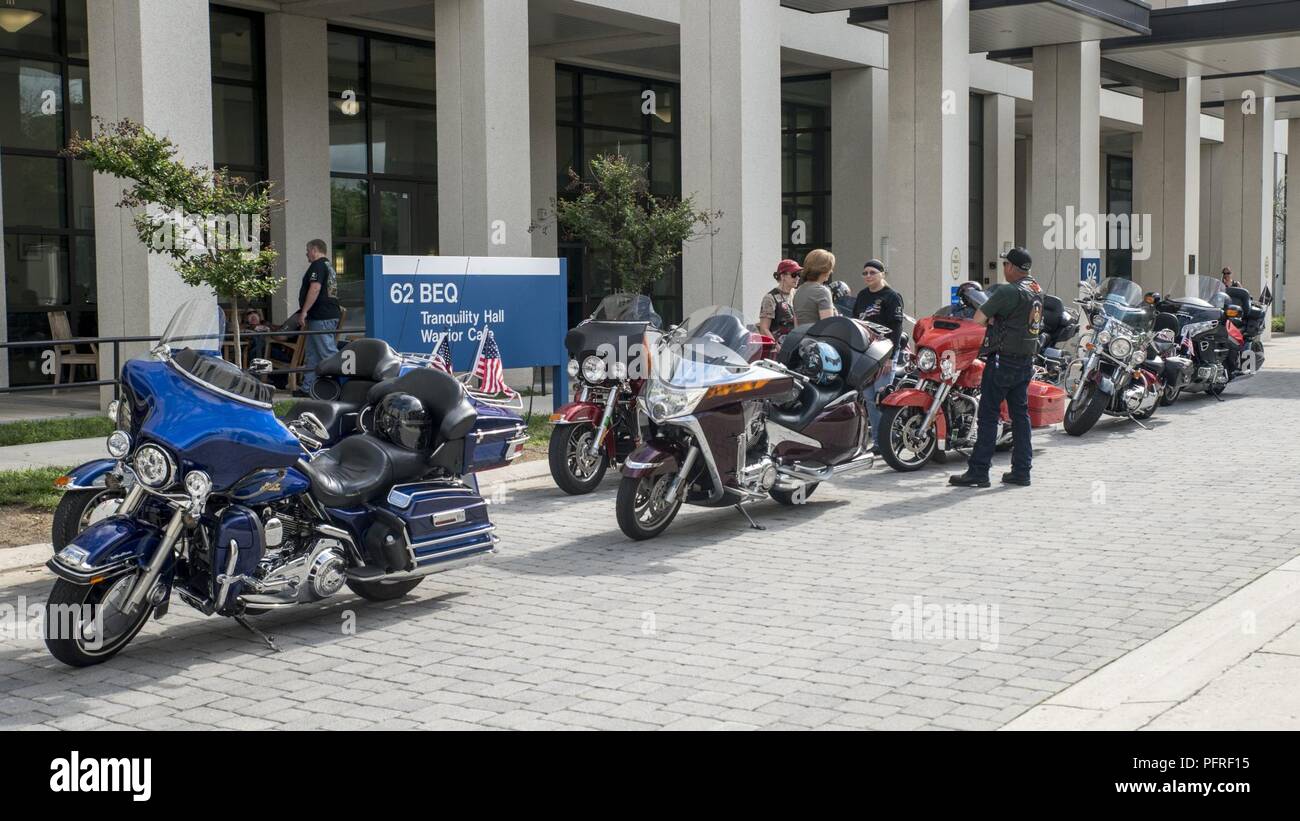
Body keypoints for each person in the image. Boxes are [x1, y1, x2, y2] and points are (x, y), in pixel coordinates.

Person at [950, 247, 1044, 490]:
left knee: (989, 415)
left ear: (1011, 267)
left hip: (1003, 359)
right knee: (1020, 416)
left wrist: (993, 317)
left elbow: (978, 319)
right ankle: (1022, 471)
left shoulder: (1008, 291)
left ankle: (979, 471)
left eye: (1005, 265)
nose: (1004, 269)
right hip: (1025, 359)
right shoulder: (1036, 289)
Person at [852, 259, 906, 454]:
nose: (868, 276)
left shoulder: (892, 296)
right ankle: (878, 441)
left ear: (882, 274)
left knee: (880, 397)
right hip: (867, 352)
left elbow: (897, 327)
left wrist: (891, 357)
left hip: (885, 351)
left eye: (872, 272)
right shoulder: (862, 296)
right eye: (865, 273)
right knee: (868, 397)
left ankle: (888, 439)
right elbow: (856, 323)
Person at [296, 239, 342, 397]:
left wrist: (304, 311)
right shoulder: (328, 266)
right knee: (313, 353)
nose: (306, 253)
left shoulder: (318, 265)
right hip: (324, 315)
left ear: (315, 249)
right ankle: (308, 388)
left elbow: (315, 288)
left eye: (307, 250)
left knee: (326, 352)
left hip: (321, 316)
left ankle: (340, 388)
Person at [758, 259, 801, 346]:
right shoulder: (770, 298)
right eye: (794, 274)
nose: (797, 278)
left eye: (799, 275)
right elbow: (764, 329)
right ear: (782, 276)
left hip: (796, 345)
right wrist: (778, 348)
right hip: (779, 349)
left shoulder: (798, 294)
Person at [792, 249, 838, 326]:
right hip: (819, 337)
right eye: (830, 268)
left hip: (802, 336)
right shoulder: (822, 291)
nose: (831, 271)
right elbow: (827, 326)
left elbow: (796, 324)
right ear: (823, 269)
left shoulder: (799, 290)